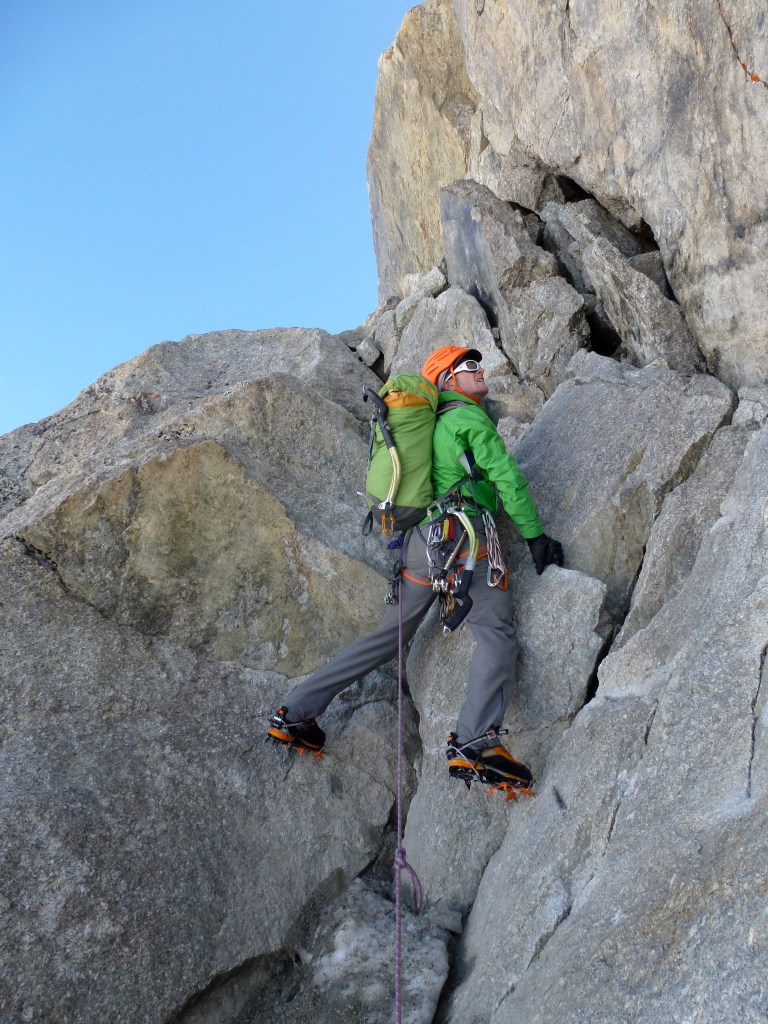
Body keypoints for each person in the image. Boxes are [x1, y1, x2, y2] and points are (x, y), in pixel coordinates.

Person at [267, 346, 563, 793]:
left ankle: (295, 711)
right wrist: (535, 536)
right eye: (467, 366)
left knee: (388, 638)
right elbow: (506, 476)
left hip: (421, 546)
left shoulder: (426, 433)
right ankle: (475, 741)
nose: (479, 370)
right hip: (466, 540)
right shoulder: (466, 419)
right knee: (495, 632)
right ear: (445, 380)